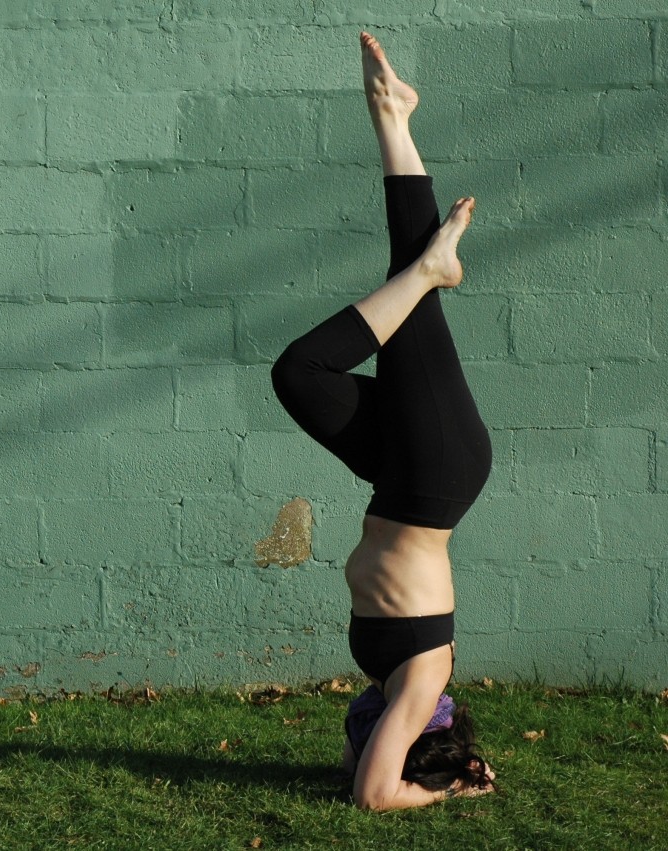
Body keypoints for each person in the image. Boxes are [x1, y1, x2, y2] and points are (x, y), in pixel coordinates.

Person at [269, 32, 497, 810]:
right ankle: (397, 135)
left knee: (299, 373)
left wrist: (418, 760)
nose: (372, 736)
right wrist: (441, 792)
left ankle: (397, 122)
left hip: (399, 473)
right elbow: (372, 795)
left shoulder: (396, 686)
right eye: (392, 739)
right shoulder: (424, 676)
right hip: (433, 472)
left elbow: (356, 769)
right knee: (416, 275)